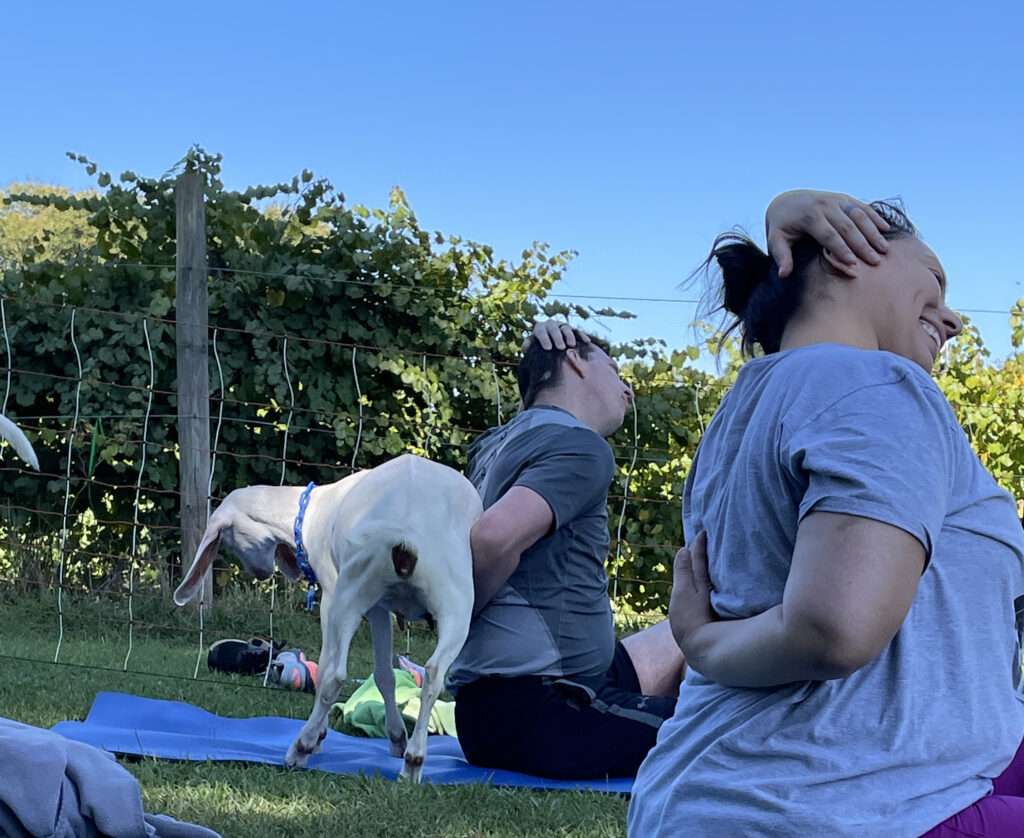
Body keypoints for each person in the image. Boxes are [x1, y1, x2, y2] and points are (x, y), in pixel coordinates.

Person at [447, 190, 894, 780]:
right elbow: (489, 542)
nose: (627, 390)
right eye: (614, 368)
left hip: (518, 696)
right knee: (724, 734)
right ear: (578, 364)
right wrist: (459, 618)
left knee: (696, 628)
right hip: (540, 709)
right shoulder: (580, 448)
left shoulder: (497, 444)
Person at [628, 200, 1024, 836]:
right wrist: (700, 647)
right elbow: (834, 629)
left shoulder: (745, 408)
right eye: (936, 277)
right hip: (841, 803)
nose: (952, 318)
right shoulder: (877, 386)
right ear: (849, 251)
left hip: (722, 790)